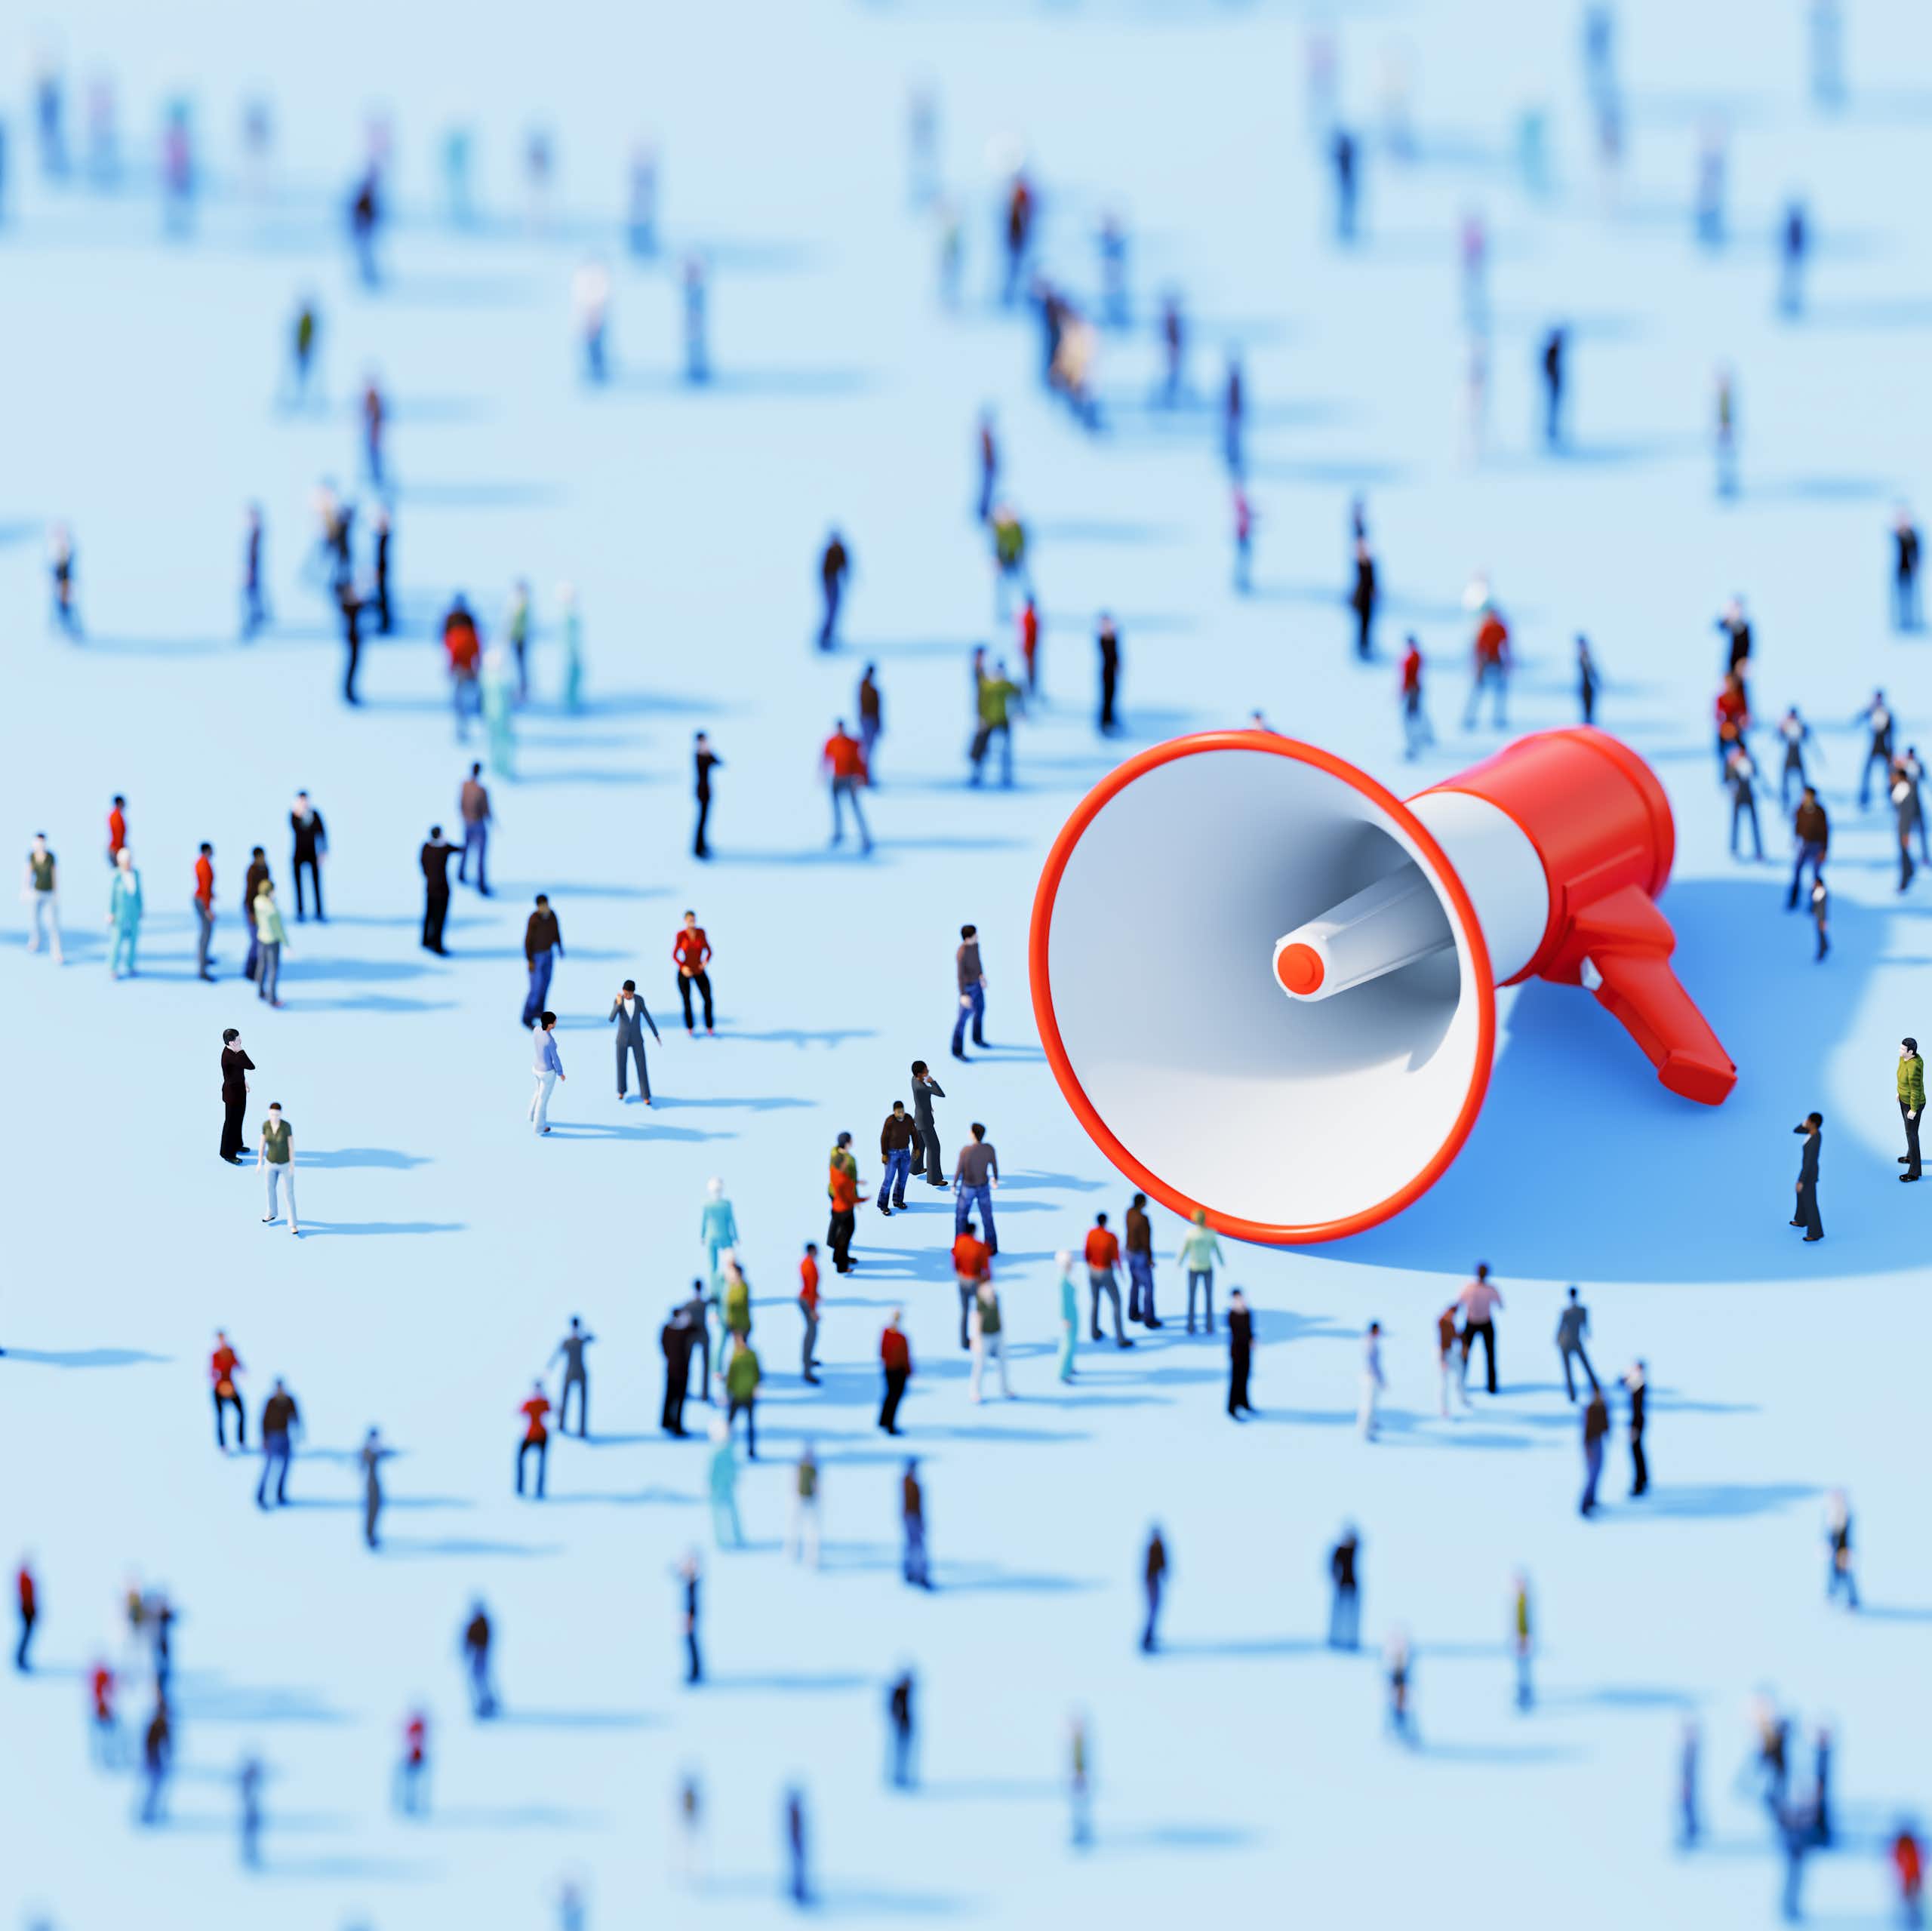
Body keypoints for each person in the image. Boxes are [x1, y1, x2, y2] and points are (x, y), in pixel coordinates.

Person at [1461, 588, 1510, 729]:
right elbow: (1478, 648)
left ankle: (1497, 718)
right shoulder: (1487, 627)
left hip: (1494, 660)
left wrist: (1507, 663)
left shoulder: (1495, 627)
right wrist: (1477, 665)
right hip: (1486, 662)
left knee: (1498, 691)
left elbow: (1506, 647)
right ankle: (1470, 718)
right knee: (1479, 691)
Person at [822, 720, 872, 853]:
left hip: (850, 778)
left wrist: (862, 778)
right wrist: (824, 774)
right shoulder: (831, 742)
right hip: (837, 778)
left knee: (856, 808)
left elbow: (860, 762)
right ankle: (838, 834)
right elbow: (825, 758)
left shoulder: (853, 743)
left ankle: (865, 837)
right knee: (836, 809)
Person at [1085, 1212, 1133, 1347]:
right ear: (1106, 1221)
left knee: (1095, 1301)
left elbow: (1087, 1253)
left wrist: (1090, 1266)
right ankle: (1120, 1338)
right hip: (1106, 1272)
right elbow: (1116, 1257)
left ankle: (1094, 1331)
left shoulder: (1091, 1233)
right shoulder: (1111, 1237)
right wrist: (1122, 1272)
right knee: (1117, 1303)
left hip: (1092, 1270)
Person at [610, 979, 661, 1104]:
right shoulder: (619, 1001)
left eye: (630, 994)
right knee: (621, 1065)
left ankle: (645, 1095)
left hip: (637, 1038)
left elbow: (647, 1016)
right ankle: (621, 1090)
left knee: (642, 1066)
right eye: (626, 993)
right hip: (622, 1039)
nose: (628, 996)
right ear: (623, 991)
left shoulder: (639, 1000)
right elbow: (611, 1019)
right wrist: (618, 1004)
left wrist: (656, 1034)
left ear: (634, 992)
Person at [952, 1121, 999, 1250]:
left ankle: (960, 1246)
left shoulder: (966, 1151)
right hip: (983, 1186)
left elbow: (959, 1169)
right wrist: (995, 1179)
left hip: (968, 1186)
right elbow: (995, 1166)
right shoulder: (989, 1149)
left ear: (973, 1134)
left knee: (961, 1216)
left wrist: (954, 1184)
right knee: (987, 1217)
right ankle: (992, 1247)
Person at [1457, 1262, 1503, 1392]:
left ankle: (1461, 1383)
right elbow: (1500, 1305)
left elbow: (1459, 1302)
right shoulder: (1490, 1289)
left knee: (1466, 1355)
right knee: (1489, 1355)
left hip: (1474, 1323)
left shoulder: (1469, 1288)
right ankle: (1491, 1387)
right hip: (1481, 1323)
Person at [1178, 1207, 1224, 1333]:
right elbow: (1217, 1250)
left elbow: (1184, 1249)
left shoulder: (1190, 1234)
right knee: (1208, 1298)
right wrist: (1222, 1262)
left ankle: (1191, 1326)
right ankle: (1209, 1326)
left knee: (1192, 1298)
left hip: (1194, 1268)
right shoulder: (1211, 1233)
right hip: (1207, 1268)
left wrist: (1180, 1262)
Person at [257, 1377, 300, 1508]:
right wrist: (264, 1439)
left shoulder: (289, 1401)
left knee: (285, 1466)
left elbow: (296, 1417)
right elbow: (263, 1421)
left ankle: (280, 1494)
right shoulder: (271, 1402)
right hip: (272, 1437)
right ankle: (260, 1496)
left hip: (285, 1436)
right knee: (269, 1467)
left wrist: (298, 1432)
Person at [443, 595, 482, 741]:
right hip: (469, 668)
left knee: (460, 700)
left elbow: (451, 650)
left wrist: (451, 666)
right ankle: (465, 725)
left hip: (460, 670)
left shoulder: (454, 631)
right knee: (467, 698)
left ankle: (462, 727)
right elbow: (478, 647)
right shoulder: (470, 630)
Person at [522, 894, 563, 1028]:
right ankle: (527, 1015)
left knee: (546, 984)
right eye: (541, 906)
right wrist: (530, 959)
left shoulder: (552, 916)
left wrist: (560, 946)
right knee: (536, 986)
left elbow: (556, 932)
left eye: (545, 905)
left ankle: (539, 1012)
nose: (544, 908)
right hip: (536, 957)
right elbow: (528, 940)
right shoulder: (534, 919)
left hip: (549, 954)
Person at [951, 1216, 992, 1351]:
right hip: (976, 1281)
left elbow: (955, 1263)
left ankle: (964, 1341)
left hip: (962, 1280)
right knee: (981, 1311)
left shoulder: (959, 1242)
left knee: (964, 1311)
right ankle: (982, 1338)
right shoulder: (980, 1247)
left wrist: (959, 1273)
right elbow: (986, 1268)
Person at [968, 1275, 1010, 1401]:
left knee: (1003, 1363)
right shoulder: (978, 1302)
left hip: (997, 1334)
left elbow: (999, 1315)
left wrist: (1002, 1331)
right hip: (984, 1337)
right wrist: (976, 1340)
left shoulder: (996, 1297)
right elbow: (976, 1321)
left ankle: (1005, 1388)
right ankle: (975, 1391)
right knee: (980, 1364)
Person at [1123, 1192, 1161, 1327]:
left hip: (1129, 1252)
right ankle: (1148, 1318)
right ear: (1142, 1203)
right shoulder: (1143, 1219)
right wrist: (1150, 1259)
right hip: (1139, 1254)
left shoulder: (1129, 1213)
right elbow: (1146, 1241)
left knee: (1134, 1283)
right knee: (1148, 1286)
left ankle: (1133, 1312)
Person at [258, 1102, 298, 1231]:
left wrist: (292, 1163)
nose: (274, 1117)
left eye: (276, 1114)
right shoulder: (266, 1125)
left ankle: (292, 1223)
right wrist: (260, 1161)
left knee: (289, 1193)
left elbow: (291, 1146)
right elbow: (262, 1143)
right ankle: (272, 1212)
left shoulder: (286, 1127)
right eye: (271, 1114)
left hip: (285, 1164)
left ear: (280, 1114)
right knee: (270, 1189)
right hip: (270, 1163)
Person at [23, 832, 61, 964]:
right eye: (38, 842)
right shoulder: (32, 856)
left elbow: (54, 874)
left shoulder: (50, 857)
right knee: (34, 919)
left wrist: (56, 892)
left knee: (53, 923)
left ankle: (56, 952)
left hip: (49, 893)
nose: (40, 845)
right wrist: (26, 890)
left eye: (42, 842)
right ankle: (35, 941)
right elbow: (28, 873)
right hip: (37, 892)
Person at [552, 1318, 595, 1437]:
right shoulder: (567, 1341)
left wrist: (585, 1329)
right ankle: (561, 1425)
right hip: (569, 1372)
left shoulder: (581, 1340)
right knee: (564, 1400)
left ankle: (582, 1429)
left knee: (583, 1401)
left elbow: (592, 1338)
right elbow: (556, 1355)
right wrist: (548, 1369)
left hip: (581, 1372)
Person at [1787, 787, 1829, 912]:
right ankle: (1793, 900)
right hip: (1804, 845)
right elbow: (1797, 825)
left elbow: (1826, 832)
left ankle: (1816, 904)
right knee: (1797, 870)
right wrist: (1796, 839)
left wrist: (1824, 850)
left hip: (1817, 846)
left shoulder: (1820, 812)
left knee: (1816, 876)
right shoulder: (1800, 810)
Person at [1555, 1285, 1598, 1401]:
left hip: (1568, 1342)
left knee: (1576, 1368)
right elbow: (1562, 1327)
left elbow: (1560, 1328)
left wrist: (1557, 1340)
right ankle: (1589, 1390)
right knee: (1577, 1368)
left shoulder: (1569, 1311)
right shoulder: (1580, 1311)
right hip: (1569, 1342)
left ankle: (1592, 1390)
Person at [950, 924, 987, 1059]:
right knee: (962, 1019)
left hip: (977, 984)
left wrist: (981, 976)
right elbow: (960, 975)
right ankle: (957, 1050)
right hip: (968, 989)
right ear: (967, 938)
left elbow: (978, 962)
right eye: (975, 935)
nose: (977, 937)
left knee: (981, 1010)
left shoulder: (976, 945)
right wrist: (963, 995)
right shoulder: (962, 953)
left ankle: (977, 1038)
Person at [288, 792, 326, 922]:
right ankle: (300, 912)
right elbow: (296, 828)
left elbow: (322, 833)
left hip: (312, 853)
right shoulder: (294, 814)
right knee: (298, 885)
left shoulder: (315, 814)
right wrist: (301, 815)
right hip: (298, 854)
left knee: (316, 884)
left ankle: (319, 912)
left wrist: (323, 852)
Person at [674, 910, 714, 1035]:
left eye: (693, 919)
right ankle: (690, 1028)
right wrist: (682, 967)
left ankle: (709, 1026)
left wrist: (705, 961)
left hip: (699, 969)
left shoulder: (701, 932)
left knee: (708, 998)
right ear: (685, 921)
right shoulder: (681, 935)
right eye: (689, 919)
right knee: (687, 1000)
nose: (692, 921)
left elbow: (709, 950)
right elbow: (675, 954)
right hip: (685, 970)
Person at [106, 844, 143, 979]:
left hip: (133, 912)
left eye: (129, 860)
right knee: (117, 940)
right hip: (120, 913)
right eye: (125, 861)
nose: (128, 863)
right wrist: (110, 912)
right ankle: (113, 967)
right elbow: (111, 896)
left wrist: (140, 908)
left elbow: (139, 893)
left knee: (133, 939)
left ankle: (130, 964)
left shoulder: (136, 874)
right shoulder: (116, 876)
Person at [909, 1061, 946, 1186]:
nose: (928, 1072)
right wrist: (932, 1081)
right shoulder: (923, 1087)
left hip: (918, 1117)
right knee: (934, 1148)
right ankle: (934, 1178)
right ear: (919, 1074)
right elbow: (941, 1094)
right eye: (926, 1071)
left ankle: (915, 1168)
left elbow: (923, 1099)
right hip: (925, 1121)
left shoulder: (914, 1080)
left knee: (919, 1145)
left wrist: (927, 1106)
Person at [220, 1028, 254, 1164]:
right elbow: (250, 1065)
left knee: (238, 1120)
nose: (240, 1041)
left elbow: (237, 1071)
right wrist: (241, 1050)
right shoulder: (230, 1055)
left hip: (240, 1090)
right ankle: (227, 1152)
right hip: (232, 1094)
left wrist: (244, 1081)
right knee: (231, 1123)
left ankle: (237, 1144)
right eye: (238, 1040)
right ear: (232, 1042)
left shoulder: (234, 1053)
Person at [252, 876, 288, 1007]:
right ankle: (272, 998)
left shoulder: (257, 901)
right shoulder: (272, 909)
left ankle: (260, 990)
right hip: (272, 941)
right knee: (273, 969)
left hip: (262, 938)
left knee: (262, 965)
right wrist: (286, 944)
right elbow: (279, 929)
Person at [724, 1334, 761, 1459]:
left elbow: (757, 1372)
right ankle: (726, 1448)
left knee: (750, 1425)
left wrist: (757, 1386)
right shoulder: (735, 1357)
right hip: (736, 1395)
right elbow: (730, 1375)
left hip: (748, 1395)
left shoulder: (752, 1356)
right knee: (729, 1424)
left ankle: (751, 1450)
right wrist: (727, 1393)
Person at [827, 1133, 860, 1275]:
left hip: (833, 1193)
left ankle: (831, 1242)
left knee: (837, 1221)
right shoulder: (849, 1160)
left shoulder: (834, 1152)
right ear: (847, 1143)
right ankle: (841, 1263)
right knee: (847, 1229)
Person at [457, 764, 492, 896]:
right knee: (481, 855)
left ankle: (461, 874)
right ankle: (481, 884)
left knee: (466, 849)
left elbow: (460, 803)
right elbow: (486, 809)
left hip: (467, 823)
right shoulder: (481, 790)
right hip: (477, 823)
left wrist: (465, 817)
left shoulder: (465, 786)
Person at [1858, 690, 1896, 810]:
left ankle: (1892, 797)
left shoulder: (1887, 713)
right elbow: (1858, 719)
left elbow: (1891, 732)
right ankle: (1864, 798)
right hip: (1875, 744)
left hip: (1884, 745)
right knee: (1867, 771)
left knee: (1889, 774)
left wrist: (1891, 750)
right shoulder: (1871, 711)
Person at [515, 1380, 552, 1498]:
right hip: (530, 1435)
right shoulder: (537, 1402)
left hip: (541, 1435)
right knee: (521, 1460)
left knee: (541, 1464)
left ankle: (538, 1490)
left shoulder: (540, 1402)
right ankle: (520, 1489)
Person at [211, 1330, 245, 1451]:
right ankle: (222, 1445)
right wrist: (220, 1384)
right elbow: (212, 1372)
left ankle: (241, 1441)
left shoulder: (231, 1352)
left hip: (231, 1387)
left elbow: (238, 1364)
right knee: (220, 1416)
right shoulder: (215, 1355)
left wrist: (242, 1370)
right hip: (219, 1389)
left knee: (241, 1413)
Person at [788, 1441, 821, 1567]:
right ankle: (793, 1551)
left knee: (811, 1529)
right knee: (796, 1525)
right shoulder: (801, 1468)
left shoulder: (812, 1470)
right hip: (800, 1500)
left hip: (810, 1501)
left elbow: (817, 1486)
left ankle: (812, 1557)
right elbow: (794, 1482)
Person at [530, 1013, 564, 1134]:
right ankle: (539, 1127)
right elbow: (555, 1059)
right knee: (543, 1101)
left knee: (537, 1092)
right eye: (554, 1021)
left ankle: (532, 1115)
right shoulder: (550, 1041)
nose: (556, 1023)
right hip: (547, 1073)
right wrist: (561, 1073)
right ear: (550, 1025)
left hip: (536, 1067)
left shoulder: (536, 1030)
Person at [1792, 1111, 1824, 1241]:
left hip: (1809, 1174)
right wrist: (1803, 1124)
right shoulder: (1812, 1133)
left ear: (1814, 1124)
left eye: (1808, 1120)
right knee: (1800, 1196)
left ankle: (1816, 1233)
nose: (1807, 1121)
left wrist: (1801, 1181)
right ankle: (1801, 1219)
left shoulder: (1815, 1140)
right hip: (1807, 1171)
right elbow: (1796, 1130)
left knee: (1810, 1202)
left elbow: (1809, 1163)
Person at [461, 1602, 497, 1717]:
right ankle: (485, 1703)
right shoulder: (478, 1624)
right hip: (477, 1656)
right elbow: (468, 1639)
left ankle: (486, 1703)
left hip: (479, 1655)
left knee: (480, 1680)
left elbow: (473, 1639)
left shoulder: (481, 1624)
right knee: (479, 1680)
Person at [878, 1101, 915, 1215]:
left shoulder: (908, 1119)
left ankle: (898, 1201)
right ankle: (883, 1205)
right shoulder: (890, 1121)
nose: (901, 1113)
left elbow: (914, 1133)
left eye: (902, 1111)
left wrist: (917, 1148)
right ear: (894, 1112)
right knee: (889, 1179)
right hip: (892, 1154)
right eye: (899, 1112)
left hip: (905, 1153)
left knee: (903, 1179)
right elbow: (883, 1138)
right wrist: (884, 1153)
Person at [1399, 635, 1432, 758]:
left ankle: (1413, 745)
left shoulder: (1412, 657)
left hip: (1412, 690)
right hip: (1414, 689)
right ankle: (1426, 735)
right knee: (1418, 714)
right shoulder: (1415, 656)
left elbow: (1408, 676)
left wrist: (1404, 691)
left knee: (1410, 718)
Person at [1777, 709, 1817, 811]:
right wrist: (1783, 728)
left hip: (1797, 756)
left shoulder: (1801, 726)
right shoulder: (1786, 726)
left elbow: (1806, 737)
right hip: (1789, 756)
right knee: (1784, 781)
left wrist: (1802, 728)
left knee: (1803, 781)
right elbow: (1779, 737)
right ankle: (1785, 803)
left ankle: (1806, 802)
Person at [1824, 1489, 1858, 1608]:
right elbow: (1830, 1533)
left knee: (1847, 1574)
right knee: (1833, 1573)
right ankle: (1831, 1594)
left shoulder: (1847, 1514)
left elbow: (1848, 1535)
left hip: (1844, 1550)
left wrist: (1849, 1551)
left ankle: (1853, 1600)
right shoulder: (1831, 1515)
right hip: (1835, 1549)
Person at [817, 530, 850, 650]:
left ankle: (830, 636)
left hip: (835, 582)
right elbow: (823, 570)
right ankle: (824, 637)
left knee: (835, 609)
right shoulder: (830, 551)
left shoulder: (840, 551)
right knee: (830, 610)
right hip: (829, 582)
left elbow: (845, 566)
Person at [1328, 1527, 1361, 1649]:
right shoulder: (1339, 1550)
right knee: (1339, 1615)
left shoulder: (1353, 1549)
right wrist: (1335, 1578)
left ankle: (1351, 1639)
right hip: (1341, 1585)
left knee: (1351, 1615)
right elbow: (1332, 1566)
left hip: (1352, 1584)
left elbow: (1360, 1542)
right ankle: (1335, 1639)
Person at [880, 1311, 912, 1434]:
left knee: (889, 1395)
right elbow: (905, 1357)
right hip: (898, 1371)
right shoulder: (901, 1338)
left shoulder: (886, 1333)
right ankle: (890, 1424)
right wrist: (908, 1371)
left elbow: (882, 1351)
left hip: (888, 1369)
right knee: (895, 1397)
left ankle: (883, 1420)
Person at [1580, 1385, 1610, 1516]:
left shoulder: (1602, 1408)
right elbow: (1586, 1431)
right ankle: (1585, 1504)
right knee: (1591, 1474)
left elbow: (1605, 1426)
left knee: (1598, 1472)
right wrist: (1587, 1449)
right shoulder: (1590, 1409)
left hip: (1599, 1442)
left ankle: (1592, 1500)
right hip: (1591, 1443)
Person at [901, 1458, 931, 1587]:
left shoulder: (909, 1482)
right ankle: (917, 1574)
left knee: (913, 1546)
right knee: (916, 1547)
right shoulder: (910, 1483)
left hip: (912, 1517)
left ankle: (913, 1573)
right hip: (912, 1517)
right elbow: (913, 1504)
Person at [1226, 1287, 1254, 1418]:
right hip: (1237, 1351)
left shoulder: (1247, 1312)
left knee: (1245, 1377)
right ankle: (1232, 1407)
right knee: (1236, 1379)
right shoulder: (1232, 1315)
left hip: (1247, 1350)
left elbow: (1249, 1329)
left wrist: (1252, 1340)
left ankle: (1244, 1402)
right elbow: (1237, 1333)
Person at [886, 1669, 916, 1790]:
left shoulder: (906, 1690)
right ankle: (897, 1777)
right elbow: (892, 1708)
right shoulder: (898, 1691)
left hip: (906, 1725)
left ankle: (903, 1776)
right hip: (900, 1726)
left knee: (905, 1753)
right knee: (898, 1753)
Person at [1900, 1037, 1924, 1182]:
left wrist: (1914, 1109)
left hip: (1912, 1103)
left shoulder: (1914, 1066)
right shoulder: (1903, 1059)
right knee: (1910, 1132)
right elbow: (1902, 1079)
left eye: (1903, 1049)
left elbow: (1915, 1089)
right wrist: (1899, 1092)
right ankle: (1910, 1157)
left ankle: (1914, 1172)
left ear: (1910, 1052)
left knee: (1912, 1134)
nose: (1900, 1050)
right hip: (1903, 1100)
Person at [1438, 1302, 1469, 1417]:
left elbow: (1455, 1336)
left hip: (1451, 1353)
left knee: (1460, 1374)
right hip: (1443, 1354)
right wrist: (1442, 1360)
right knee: (1444, 1383)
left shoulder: (1451, 1324)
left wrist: (1464, 1343)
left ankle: (1463, 1398)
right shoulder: (1442, 1323)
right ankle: (1444, 1409)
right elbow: (1441, 1342)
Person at [1623, 1359, 1649, 1496]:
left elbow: (1626, 1383)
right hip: (1637, 1422)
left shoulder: (1639, 1384)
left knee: (1636, 1452)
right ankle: (1642, 1479)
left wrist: (1634, 1427)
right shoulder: (1638, 1383)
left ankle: (1639, 1483)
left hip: (1637, 1423)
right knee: (1638, 1452)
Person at [48, 523, 80, 636]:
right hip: (61, 582)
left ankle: (71, 629)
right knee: (59, 607)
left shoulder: (67, 550)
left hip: (65, 581)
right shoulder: (55, 550)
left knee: (67, 606)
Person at [1140, 1526, 1168, 1653]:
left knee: (1155, 1609)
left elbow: (1164, 1564)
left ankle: (1150, 1637)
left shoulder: (1159, 1547)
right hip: (1152, 1581)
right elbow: (1152, 1567)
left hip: (1154, 1581)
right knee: (1152, 1609)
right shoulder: (1153, 1548)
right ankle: (1146, 1639)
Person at [395, 1709, 429, 1816]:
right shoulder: (415, 1726)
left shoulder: (418, 1726)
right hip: (411, 1759)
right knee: (410, 1785)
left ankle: (412, 1805)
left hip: (416, 1759)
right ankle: (409, 1805)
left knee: (414, 1785)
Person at [1895, 506, 1922, 632]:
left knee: (1911, 596)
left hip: (1910, 571)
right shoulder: (1898, 534)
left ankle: (1912, 620)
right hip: (1900, 570)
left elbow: (1916, 551)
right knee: (1902, 597)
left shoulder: (1912, 535)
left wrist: (1917, 565)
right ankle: (1903, 621)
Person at [1358, 1320, 1386, 1440]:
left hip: (1370, 1375)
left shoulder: (1369, 1341)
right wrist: (1380, 1378)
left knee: (1370, 1403)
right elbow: (1373, 1362)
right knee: (1368, 1404)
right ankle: (1366, 1430)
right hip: (1371, 1376)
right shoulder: (1370, 1343)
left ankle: (1369, 1425)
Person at [192, 841, 215, 979]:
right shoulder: (204, 865)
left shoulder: (201, 862)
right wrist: (208, 909)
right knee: (206, 931)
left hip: (203, 898)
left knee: (206, 930)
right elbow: (205, 887)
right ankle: (202, 968)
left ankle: (203, 957)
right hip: (202, 901)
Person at [1350, 540, 1377, 660]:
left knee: (1367, 625)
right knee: (1361, 626)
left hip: (1368, 601)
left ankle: (1366, 645)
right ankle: (1361, 647)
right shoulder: (1360, 565)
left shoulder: (1370, 564)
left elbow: (1372, 581)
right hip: (1362, 600)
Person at [1893, 1825, 1924, 1926]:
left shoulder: (1910, 1847)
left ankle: (1914, 1920)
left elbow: (1916, 1863)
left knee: (1912, 1901)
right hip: (1908, 1878)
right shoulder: (1903, 1847)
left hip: (1912, 1878)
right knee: (1910, 1901)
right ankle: (1912, 1920)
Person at [1056, 1250, 1080, 1384]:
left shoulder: (1068, 1277)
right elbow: (1062, 1302)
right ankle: (1063, 1372)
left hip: (1073, 1312)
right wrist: (1064, 1318)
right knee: (1068, 1343)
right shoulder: (1063, 1281)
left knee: (1073, 1341)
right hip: (1068, 1316)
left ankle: (1070, 1366)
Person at [1511, 1573, 1534, 1711]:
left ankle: (1525, 1694)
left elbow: (1524, 1621)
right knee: (1520, 1668)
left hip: (1523, 1640)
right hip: (1519, 1639)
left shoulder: (1523, 1600)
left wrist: (1524, 1637)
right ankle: (1522, 1693)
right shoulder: (1518, 1599)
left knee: (1524, 1668)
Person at [1096, 613, 1121, 734]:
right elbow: (1108, 655)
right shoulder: (1102, 638)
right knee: (1106, 698)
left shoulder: (1114, 636)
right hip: (1106, 672)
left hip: (1112, 672)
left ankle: (1111, 720)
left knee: (1112, 697)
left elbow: (1117, 654)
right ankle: (1104, 722)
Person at [857, 662, 884, 775]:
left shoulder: (868, 688)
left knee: (869, 749)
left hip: (869, 720)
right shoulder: (868, 688)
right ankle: (864, 774)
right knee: (867, 749)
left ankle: (866, 773)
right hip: (868, 720)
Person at [14, 1559, 37, 1671]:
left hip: (27, 1609)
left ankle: (21, 1659)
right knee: (25, 1635)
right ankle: (20, 1660)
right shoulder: (24, 1578)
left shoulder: (24, 1578)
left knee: (26, 1635)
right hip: (26, 1610)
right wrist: (30, 1609)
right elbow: (27, 1596)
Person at [1577, 635, 1600, 725]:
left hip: (1587, 687)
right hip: (1585, 687)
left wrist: (1598, 683)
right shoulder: (1583, 655)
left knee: (1588, 713)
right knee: (1587, 713)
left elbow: (1591, 670)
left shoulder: (1585, 655)